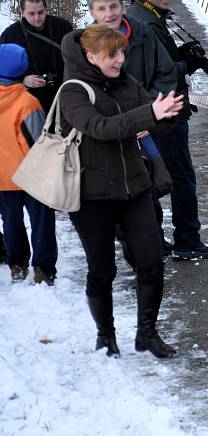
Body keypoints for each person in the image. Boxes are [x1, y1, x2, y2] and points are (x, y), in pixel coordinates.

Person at [60, 24, 183, 358]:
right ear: (90, 56)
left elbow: (153, 118)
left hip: (135, 187)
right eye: (112, 54)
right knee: (102, 270)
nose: (120, 59)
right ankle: (106, 335)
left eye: (122, 52)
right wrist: (148, 114)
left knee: (152, 261)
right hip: (91, 197)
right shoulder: (72, 91)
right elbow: (101, 128)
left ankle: (147, 334)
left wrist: (168, 113)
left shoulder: (128, 84)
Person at [126, 0, 208, 262]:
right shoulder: (145, 24)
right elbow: (145, 77)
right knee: (178, 178)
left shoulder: (148, 18)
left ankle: (155, 239)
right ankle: (186, 240)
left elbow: (158, 63)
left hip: (164, 113)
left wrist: (180, 56)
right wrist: (185, 65)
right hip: (164, 116)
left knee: (158, 176)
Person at [84, 0, 178, 256]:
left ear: (122, 6)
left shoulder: (143, 34)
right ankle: (132, 246)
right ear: (93, 13)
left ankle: (149, 246)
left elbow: (166, 74)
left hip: (147, 129)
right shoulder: (83, 45)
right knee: (116, 195)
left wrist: (146, 114)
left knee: (150, 190)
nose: (109, 13)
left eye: (113, 6)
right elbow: (80, 93)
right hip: (109, 135)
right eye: (102, 9)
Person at [0, 43, 58, 285]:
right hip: (31, 175)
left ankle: (17, 263)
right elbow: (38, 141)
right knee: (42, 222)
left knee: (11, 222)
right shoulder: (27, 102)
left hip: (3, 177)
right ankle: (43, 268)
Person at [0, 0, 74, 113]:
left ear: (46, 10)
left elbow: (76, 57)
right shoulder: (11, 35)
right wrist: (22, 80)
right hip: (29, 100)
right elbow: (3, 72)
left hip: (64, 94)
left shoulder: (62, 27)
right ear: (22, 12)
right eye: (31, 13)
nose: (37, 18)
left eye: (41, 12)